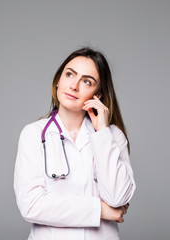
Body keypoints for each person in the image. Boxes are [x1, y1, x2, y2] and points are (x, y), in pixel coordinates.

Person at [14, 47, 136, 239]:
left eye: (87, 81)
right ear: (58, 81)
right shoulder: (34, 134)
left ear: (99, 94)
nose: (74, 86)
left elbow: (118, 198)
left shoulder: (112, 135)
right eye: (70, 75)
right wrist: (100, 211)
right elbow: (31, 206)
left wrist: (102, 133)